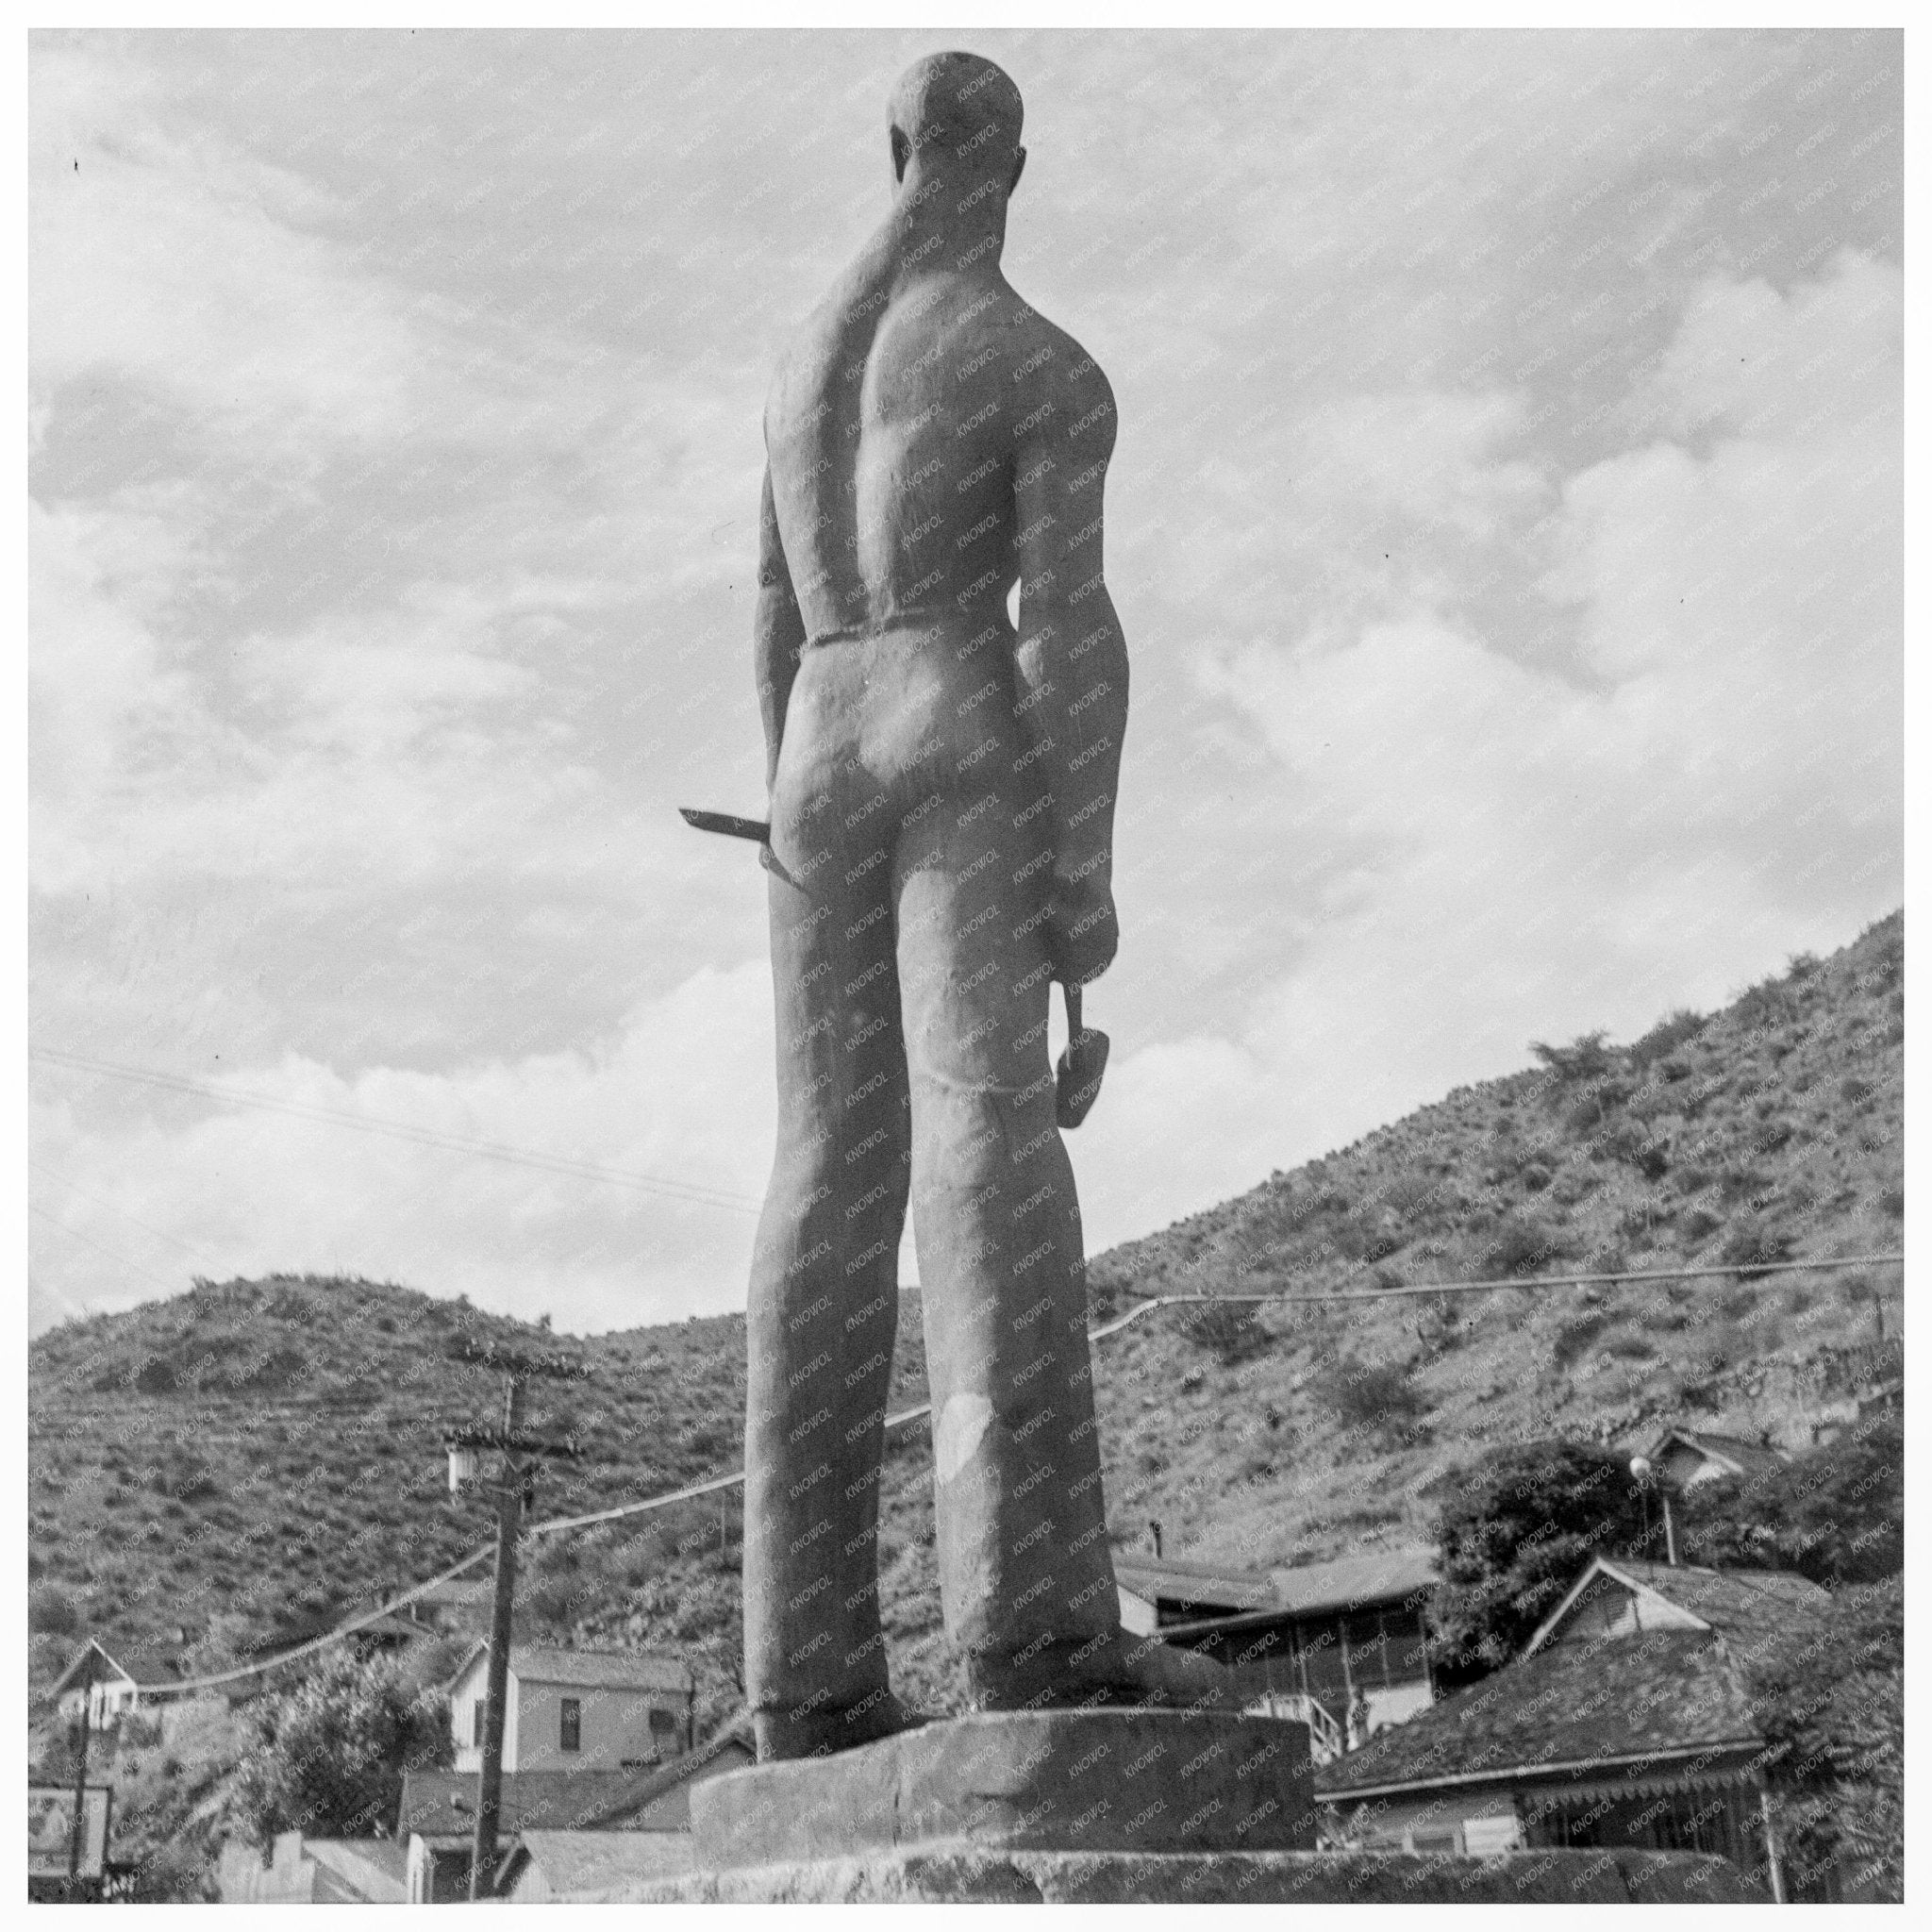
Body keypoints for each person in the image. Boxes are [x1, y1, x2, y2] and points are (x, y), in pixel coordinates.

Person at [740, 50, 1226, 1761]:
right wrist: (1081, 880)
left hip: (819, 750)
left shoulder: (803, 361)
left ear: (892, 150)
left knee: (821, 1173)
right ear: (1011, 165)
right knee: (989, 1139)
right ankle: (1028, 1628)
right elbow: (1065, 625)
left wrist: (799, 812)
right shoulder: (1040, 366)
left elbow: (774, 615)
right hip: (953, 722)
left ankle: (803, 1681)